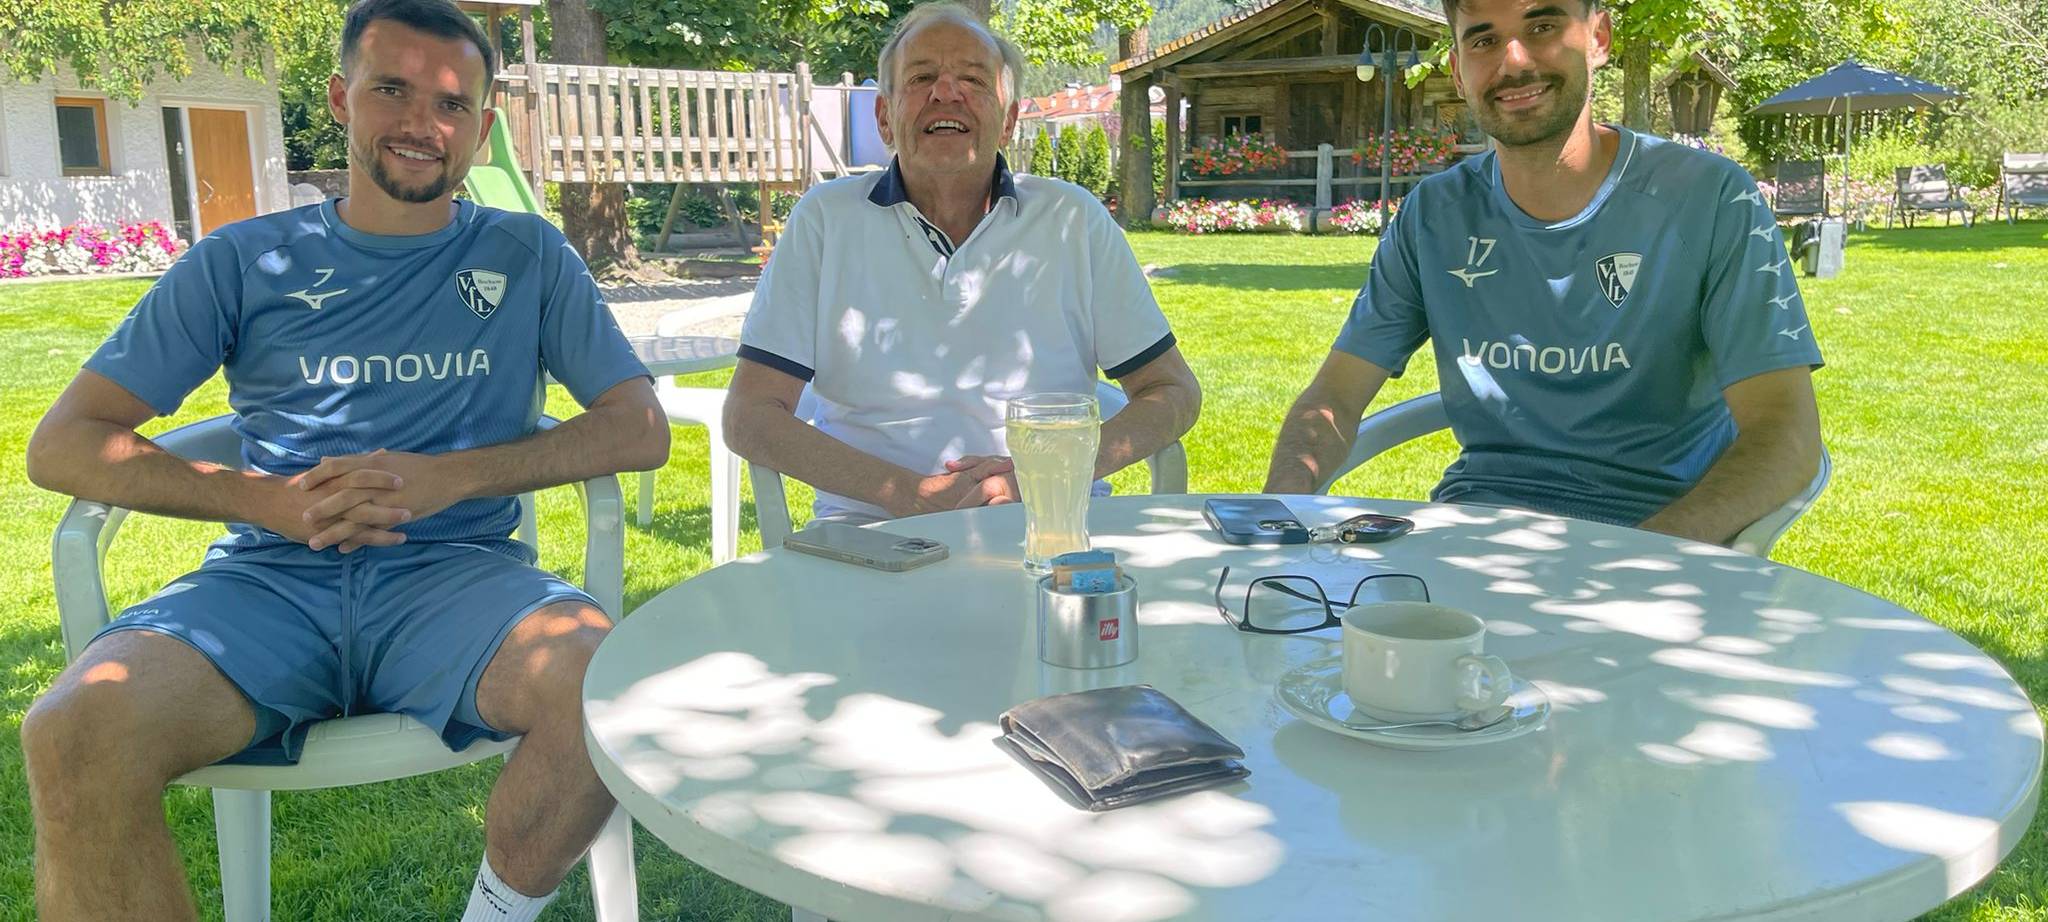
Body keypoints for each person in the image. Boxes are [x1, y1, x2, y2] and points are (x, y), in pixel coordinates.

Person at [19, 1, 669, 920]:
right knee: (74, 731)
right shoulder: (243, 260)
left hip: (460, 581)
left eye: (451, 104)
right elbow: (65, 442)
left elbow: (639, 427)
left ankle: (493, 914)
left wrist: (456, 475)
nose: (420, 124)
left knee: (606, 683)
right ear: (340, 98)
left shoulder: (527, 255)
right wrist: (267, 500)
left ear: (483, 130)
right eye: (391, 90)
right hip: (270, 583)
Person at [1265, 0, 1823, 545]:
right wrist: (1274, 514)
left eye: (1543, 25)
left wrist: (1644, 560)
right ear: (1458, 71)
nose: (1513, 61)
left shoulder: (1710, 197)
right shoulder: (1434, 215)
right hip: (1472, 543)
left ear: (1598, 38)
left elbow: (1786, 435)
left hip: (1655, 546)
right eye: (1483, 39)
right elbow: (1334, 396)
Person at [723, 2, 1201, 524]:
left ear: (1010, 120)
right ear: (885, 117)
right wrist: (910, 494)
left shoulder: (1072, 219)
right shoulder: (827, 219)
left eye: (973, 79)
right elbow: (750, 415)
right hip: (871, 531)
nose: (946, 93)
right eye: (921, 76)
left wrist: (1051, 472)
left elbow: (1172, 391)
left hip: (1051, 521)